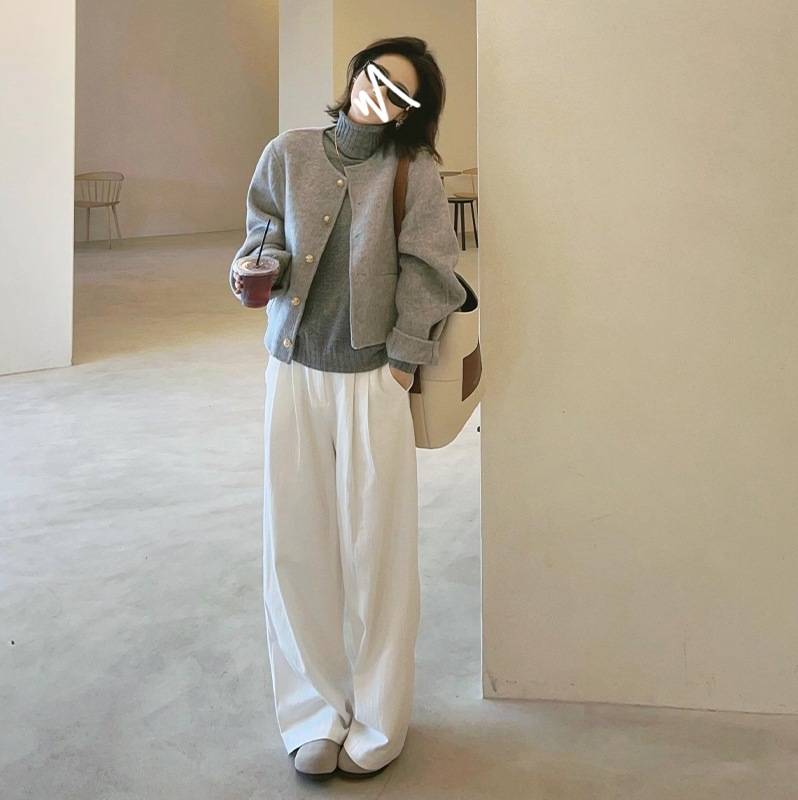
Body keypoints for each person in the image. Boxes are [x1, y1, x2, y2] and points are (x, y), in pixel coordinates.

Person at [229, 35, 466, 780]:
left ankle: (379, 718)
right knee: (294, 547)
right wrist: (252, 266)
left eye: (400, 93)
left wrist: (401, 362)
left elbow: (434, 271)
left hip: (374, 379)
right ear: (356, 72)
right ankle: (312, 715)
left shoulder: (413, 171)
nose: (380, 93)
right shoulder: (289, 152)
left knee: (378, 554)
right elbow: (262, 230)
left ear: (409, 112)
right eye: (376, 75)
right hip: (293, 369)